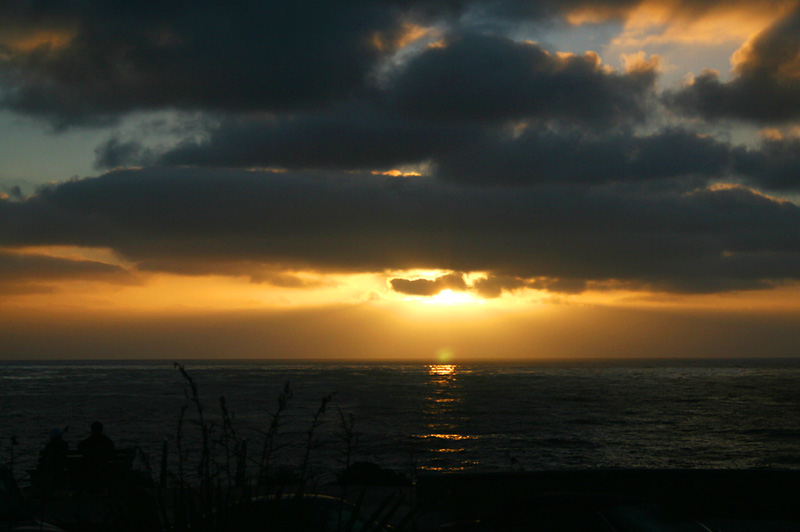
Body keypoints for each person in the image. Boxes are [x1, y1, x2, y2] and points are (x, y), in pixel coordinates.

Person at [77, 421, 115, 489]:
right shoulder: (107, 441)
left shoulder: (85, 442)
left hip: (88, 467)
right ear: (101, 430)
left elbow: (80, 450)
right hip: (103, 467)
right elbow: (111, 450)